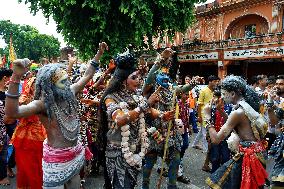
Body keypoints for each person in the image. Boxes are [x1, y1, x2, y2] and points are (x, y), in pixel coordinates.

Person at [5, 42, 108, 189]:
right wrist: (15, 76)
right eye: (62, 81)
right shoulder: (42, 104)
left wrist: (99, 54)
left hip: (76, 153)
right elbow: (12, 112)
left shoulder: (70, 91)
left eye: (66, 79)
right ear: (50, 84)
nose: (67, 83)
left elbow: (87, 75)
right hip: (56, 160)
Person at [100, 51, 174, 188]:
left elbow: (149, 111)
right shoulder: (111, 98)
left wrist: (162, 115)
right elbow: (120, 119)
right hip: (117, 154)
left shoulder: (136, 95)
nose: (138, 80)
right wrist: (145, 104)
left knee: (130, 184)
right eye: (134, 77)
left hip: (135, 151)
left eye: (138, 77)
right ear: (123, 80)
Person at [205, 75, 268, 189]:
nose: (222, 97)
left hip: (248, 157)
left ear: (233, 94)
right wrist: (220, 110)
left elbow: (215, 140)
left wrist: (207, 117)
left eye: (224, 94)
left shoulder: (238, 112)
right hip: (256, 152)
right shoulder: (246, 106)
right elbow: (235, 123)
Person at [10, 76, 47, 188]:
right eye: (35, 84)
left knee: (41, 167)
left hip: (43, 137)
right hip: (24, 140)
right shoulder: (24, 99)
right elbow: (12, 112)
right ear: (30, 86)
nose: (38, 87)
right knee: (26, 168)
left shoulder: (46, 98)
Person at [192, 75, 220, 172]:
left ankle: (207, 163)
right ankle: (209, 161)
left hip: (212, 118)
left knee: (209, 141)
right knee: (208, 141)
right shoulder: (204, 91)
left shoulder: (215, 92)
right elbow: (199, 104)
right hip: (205, 118)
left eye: (217, 81)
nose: (217, 83)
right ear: (210, 81)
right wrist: (199, 116)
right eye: (215, 81)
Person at [267, 75, 284, 189]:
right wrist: (270, 103)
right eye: (276, 84)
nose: (277, 86)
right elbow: (274, 121)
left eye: (281, 84)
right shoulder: (282, 103)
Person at [0, 68, 13, 186]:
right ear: (5, 78)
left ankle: (8, 167)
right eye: (10, 78)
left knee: (14, 146)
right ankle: (2, 176)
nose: (10, 80)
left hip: (10, 124)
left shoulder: (8, 92)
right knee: (3, 151)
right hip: (1, 127)